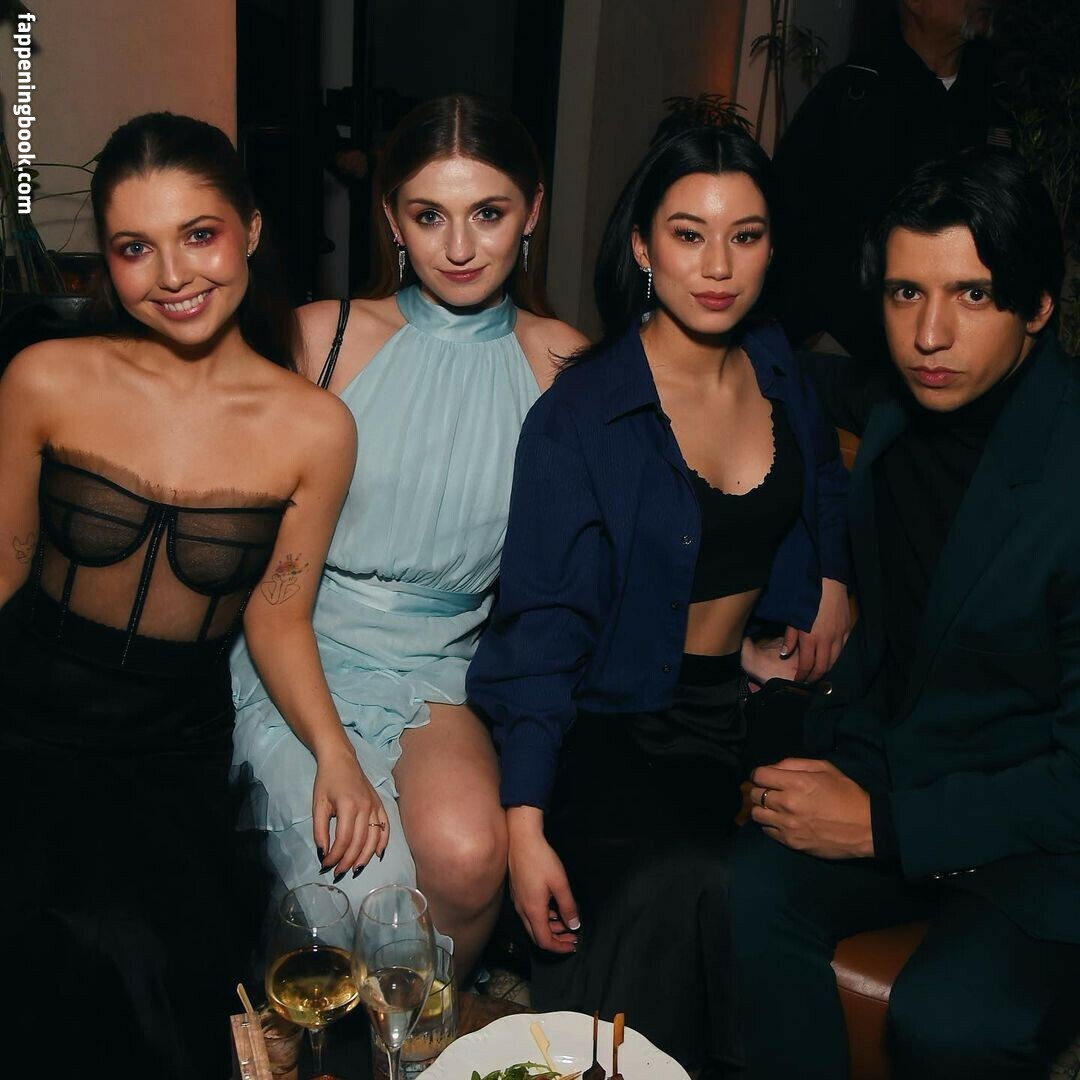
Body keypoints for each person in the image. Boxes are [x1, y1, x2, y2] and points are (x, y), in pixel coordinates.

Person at [467, 125, 851, 1072]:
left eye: (746, 236)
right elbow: (541, 633)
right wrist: (523, 825)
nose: (718, 266)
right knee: (689, 890)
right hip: (617, 722)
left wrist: (831, 576)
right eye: (689, 234)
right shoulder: (580, 416)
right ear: (642, 246)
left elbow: (821, 479)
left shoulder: (778, 365)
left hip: (749, 703)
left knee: (819, 860)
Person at [0, 113, 357, 1078]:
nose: (172, 275)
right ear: (105, 259)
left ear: (251, 229)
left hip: (169, 750)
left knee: (150, 974)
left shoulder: (314, 428)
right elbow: (4, 567)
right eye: (134, 248)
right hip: (24, 720)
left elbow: (276, 615)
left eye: (199, 235)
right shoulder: (45, 377)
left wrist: (334, 751)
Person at [728, 149, 1080, 1079]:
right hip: (901, 758)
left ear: (1038, 305)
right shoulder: (893, 408)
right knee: (737, 891)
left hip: (1038, 831)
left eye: (973, 295)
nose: (930, 334)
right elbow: (776, 364)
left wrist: (883, 826)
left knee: (946, 1021)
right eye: (904, 293)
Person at [230, 93, 585, 978]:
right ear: (392, 219)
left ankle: (419, 1042)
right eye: (430, 216)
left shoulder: (563, 364)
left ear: (533, 211)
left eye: (488, 214)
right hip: (300, 646)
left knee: (468, 858)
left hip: (444, 664)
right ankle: (314, 1034)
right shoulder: (322, 337)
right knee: (365, 887)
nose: (459, 247)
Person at [772, 0, 1011, 361]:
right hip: (853, 352)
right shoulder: (854, 92)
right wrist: (816, 327)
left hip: (963, 343)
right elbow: (786, 210)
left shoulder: (996, 99)